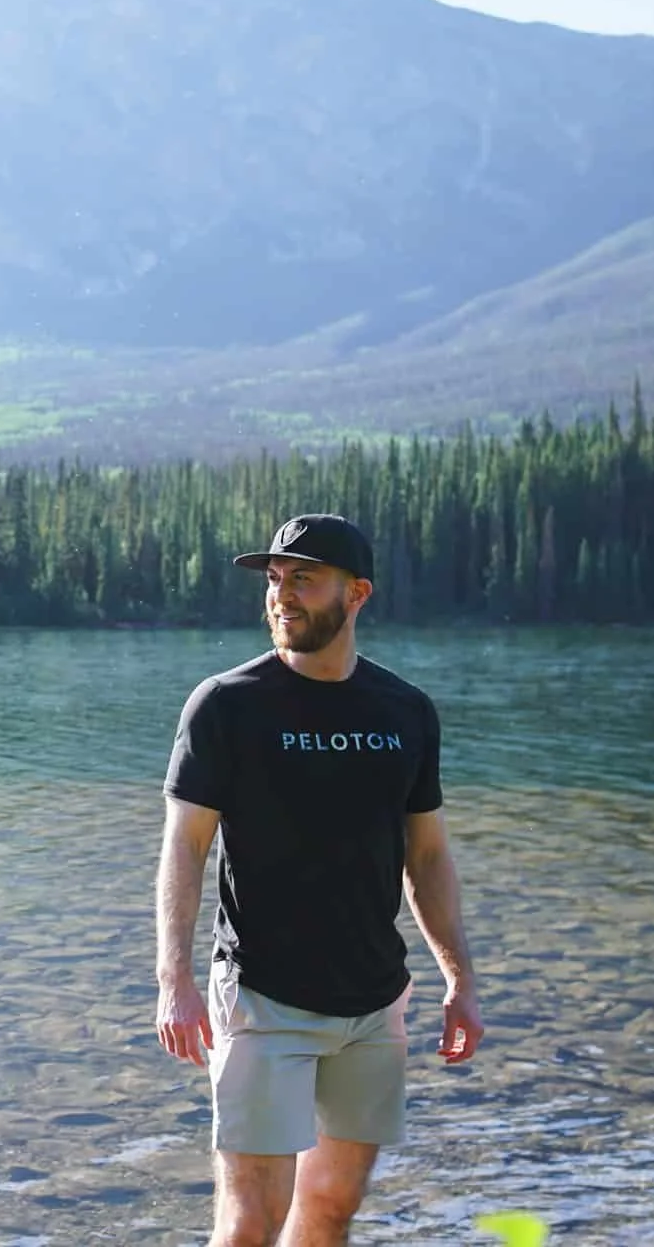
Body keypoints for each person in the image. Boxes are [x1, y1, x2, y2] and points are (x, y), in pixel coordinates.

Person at [154, 513, 483, 1247]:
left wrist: (459, 979)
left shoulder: (405, 711)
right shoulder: (226, 705)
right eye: (274, 581)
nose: (282, 596)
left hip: (373, 1005)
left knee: (331, 1208)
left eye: (302, 578)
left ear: (356, 592)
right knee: (249, 1226)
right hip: (264, 998)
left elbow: (426, 856)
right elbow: (185, 847)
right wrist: (173, 977)